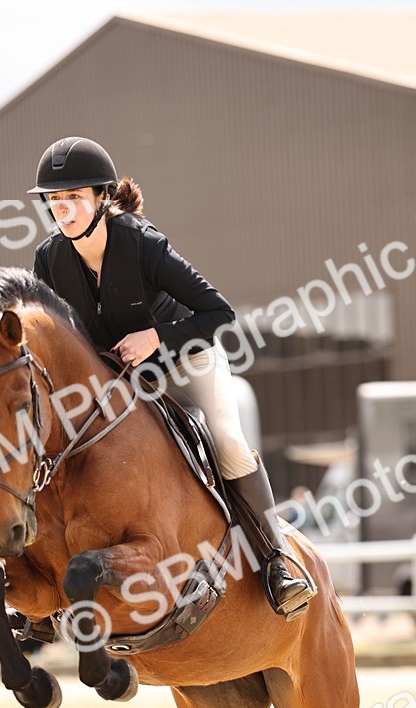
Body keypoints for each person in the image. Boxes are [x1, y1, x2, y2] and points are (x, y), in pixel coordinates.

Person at [29, 136, 315, 618]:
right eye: (55, 201)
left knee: (227, 441)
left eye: (74, 199)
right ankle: (40, 589)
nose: (64, 211)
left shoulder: (142, 244)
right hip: (118, 378)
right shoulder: (49, 259)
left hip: (186, 358)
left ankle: (276, 562)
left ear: (101, 199)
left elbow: (219, 313)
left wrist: (156, 337)